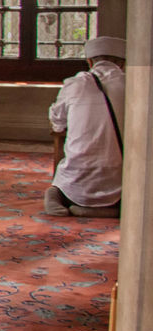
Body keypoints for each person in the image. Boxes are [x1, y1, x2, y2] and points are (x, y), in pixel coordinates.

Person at [46, 36, 126, 218]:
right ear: (122, 64)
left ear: (89, 62)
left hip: (77, 177)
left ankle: (64, 200)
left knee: (60, 182)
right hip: (121, 176)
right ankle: (109, 210)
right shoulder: (133, 85)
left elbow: (57, 123)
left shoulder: (75, 84)